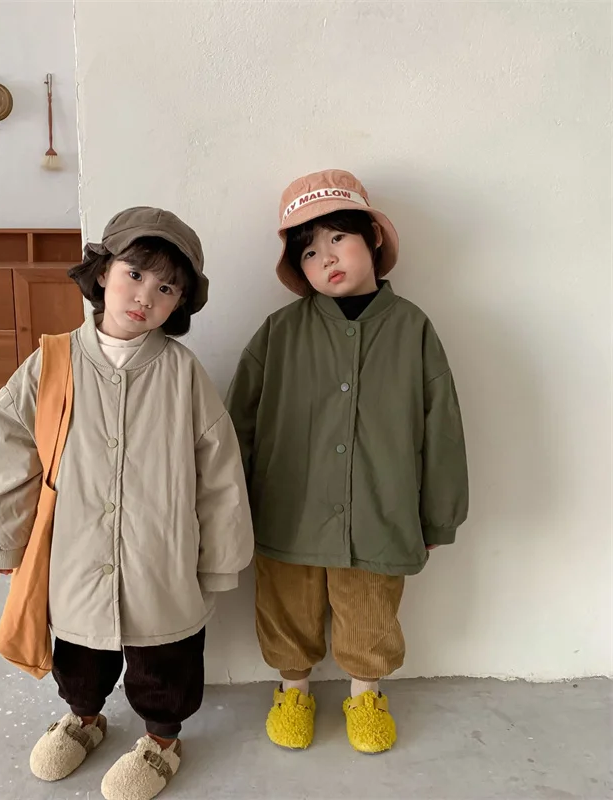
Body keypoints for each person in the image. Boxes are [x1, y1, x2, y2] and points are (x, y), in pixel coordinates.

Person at [0, 207, 253, 800]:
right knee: (79, 651)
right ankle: (83, 718)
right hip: (74, 551)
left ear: (180, 303)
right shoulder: (52, 362)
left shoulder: (183, 373)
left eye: (166, 287)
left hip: (162, 557)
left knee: (165, 658)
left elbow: (219, 469)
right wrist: (1, 537)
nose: (145, 295)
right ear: (102, 273)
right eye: (135, 274)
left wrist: (221, 559)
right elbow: (6, 448)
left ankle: (162, 741)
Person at [226, 169, 469, 754]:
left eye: (338, 237)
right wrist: (229, 511)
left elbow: (442, 428)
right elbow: (236, 427)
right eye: (309, 251)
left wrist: (438, 516)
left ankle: (366, 694)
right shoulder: (279, 333)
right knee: (286, 607)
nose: (327, 257)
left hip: (381, 512)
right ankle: (293, 690)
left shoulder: (412, 328)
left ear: (373, 239)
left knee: (372, 610)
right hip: (287, 510)